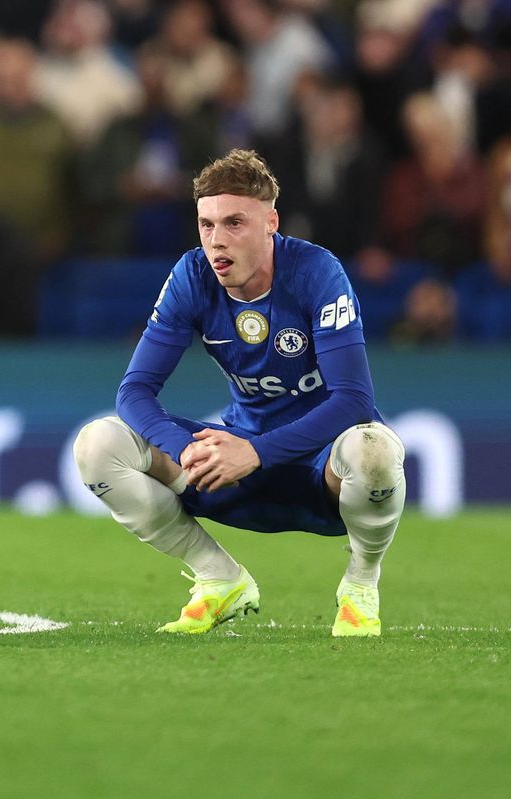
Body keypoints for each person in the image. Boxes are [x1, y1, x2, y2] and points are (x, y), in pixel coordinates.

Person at [73, 149, 405, 638]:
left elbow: (353, 399)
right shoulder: (193, 276)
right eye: (206, 225)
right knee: (98, 445)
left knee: (374, 448)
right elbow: (135, 391)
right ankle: (218, 578)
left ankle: (360, 584)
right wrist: (184, 447)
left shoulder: (316, 272)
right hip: (233, 468)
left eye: (234, 223)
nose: (216, 240)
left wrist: (257, 451)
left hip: (326, 474)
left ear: (271, 221)